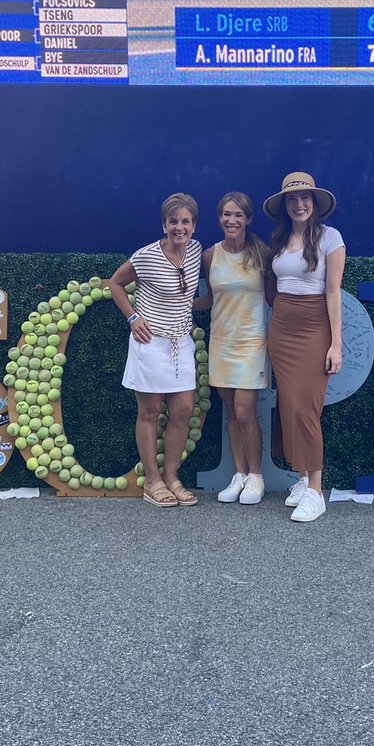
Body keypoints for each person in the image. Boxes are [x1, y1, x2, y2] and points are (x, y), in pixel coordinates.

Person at [110, 193, 204, 508]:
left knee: (183, 410)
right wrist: (133, 317)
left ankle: (172, 477)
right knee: (149, 412)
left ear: (194, 225)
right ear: (164, 224)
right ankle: (152, 481)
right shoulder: (146, 256)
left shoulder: (195, 251)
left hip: (181, 342)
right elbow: (115, 284)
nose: (180, 227)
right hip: (149, 344)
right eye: (174, 221)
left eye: (186, 221)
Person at [263, 172, 345, 523]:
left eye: (305, 198)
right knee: (289, 406)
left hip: (315, 328)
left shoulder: (331, 238)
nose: (299, 204)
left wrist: (336, 343)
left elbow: (333, 292)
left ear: (315, 202)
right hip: (281, 328)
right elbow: (273, 285)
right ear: (285, 205)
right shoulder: (279, 239)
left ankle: (316, 490)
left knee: (306, 409)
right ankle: (300, 479)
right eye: (292, 199)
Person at [194, 192, 274, 505]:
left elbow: (274, 297)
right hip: (221, 343)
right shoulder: (210, 256)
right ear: (219, 218)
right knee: (230, 412)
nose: (232, 220)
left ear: (249, 219)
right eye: (227, 214)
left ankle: (257, 477)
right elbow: (210, 299)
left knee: (245, 413)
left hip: (252, 343)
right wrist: (176, 304)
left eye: (239, 215)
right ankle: (239, 475)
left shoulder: (262, 253)